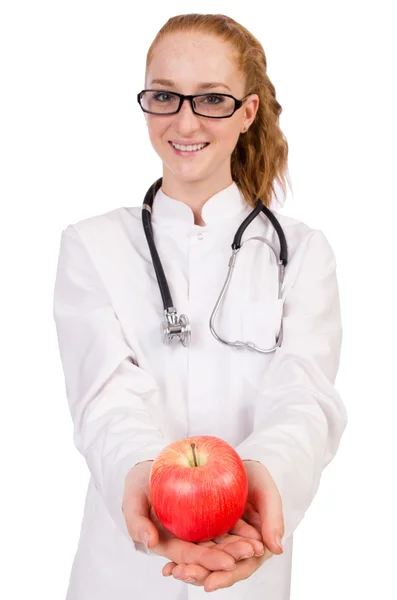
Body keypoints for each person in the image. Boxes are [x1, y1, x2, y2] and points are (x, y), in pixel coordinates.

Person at [53, 12, 348, 600]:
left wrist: (266, 477)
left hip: (248, 559)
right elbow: (103, 398)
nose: (185, 121)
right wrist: (144, 475)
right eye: (164, 96)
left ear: (248, 112)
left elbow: (305, 396)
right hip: (124, 570)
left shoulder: (301, 253)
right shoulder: (92, 245)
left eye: (212, 99)